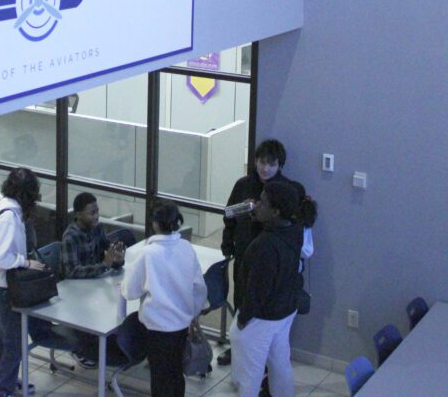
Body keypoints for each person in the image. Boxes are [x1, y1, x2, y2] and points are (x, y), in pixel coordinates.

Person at [0, 167, 76, 397]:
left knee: (6, 337)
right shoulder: (8, 217)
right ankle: (2, 390)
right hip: (4, 286)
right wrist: (23, 262)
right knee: (14, 342)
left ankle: (5, 379)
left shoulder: (3, 204)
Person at [219, 138, 309, 367]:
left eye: (271, 163)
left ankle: (261, 354)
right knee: (242, 298)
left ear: (280, 165)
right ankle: (238, 346)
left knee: (266, 305)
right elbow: (228, 216)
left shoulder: (288, 190)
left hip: (273, 259)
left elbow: (296, 224)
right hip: (244, 253)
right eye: (261, 161)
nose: (265, 168)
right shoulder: (243, 185)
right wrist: (228, 244)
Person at [230, 181, 316, 397]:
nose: (256, 204)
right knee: (280, 363)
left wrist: (242, 319)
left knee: (250, 374)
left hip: (262, 317)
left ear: (276, 211)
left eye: (262, 202)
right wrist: (255, 220)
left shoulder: (265, 247)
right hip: (285, 309)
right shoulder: (294, 229)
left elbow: (257, 291)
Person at [121, 199, 207, 397]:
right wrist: (192, 313)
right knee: (176, 373)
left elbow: (131, 291)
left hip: (158, 328)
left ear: (155, 223)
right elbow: (199, 288)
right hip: (181, 325)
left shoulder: (148, 253)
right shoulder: (186, 247)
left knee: (160, 378)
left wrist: (124, 288)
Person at [60, 191, 126, 368]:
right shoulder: (71, 237)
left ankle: (108, 343)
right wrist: (105, 265)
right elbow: (72, 272)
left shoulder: (97, 228)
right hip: (75, 293)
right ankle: (81, 348)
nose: (96, 216)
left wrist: (118, 259)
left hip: (94, 286)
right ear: (78, 214)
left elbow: (108, 251)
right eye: (92, 213)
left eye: (97, 211)